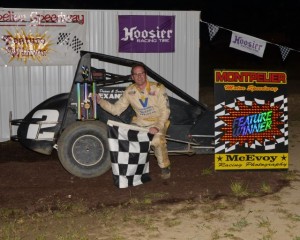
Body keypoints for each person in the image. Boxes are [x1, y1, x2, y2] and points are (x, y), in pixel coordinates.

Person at [96, 63, 171, 179]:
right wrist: (101, 101)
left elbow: (165, 111)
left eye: (141, 73)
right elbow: (116, 109)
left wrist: (157, 127)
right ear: (132, 77)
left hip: (158, 121)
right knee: (128, 138)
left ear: (145, 75)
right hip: (140, 122)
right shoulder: (129, 91)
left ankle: (164, 167)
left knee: (157, 141)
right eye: (136, 74)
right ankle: (133, 170)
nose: (139, 76)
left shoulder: (158, 87)